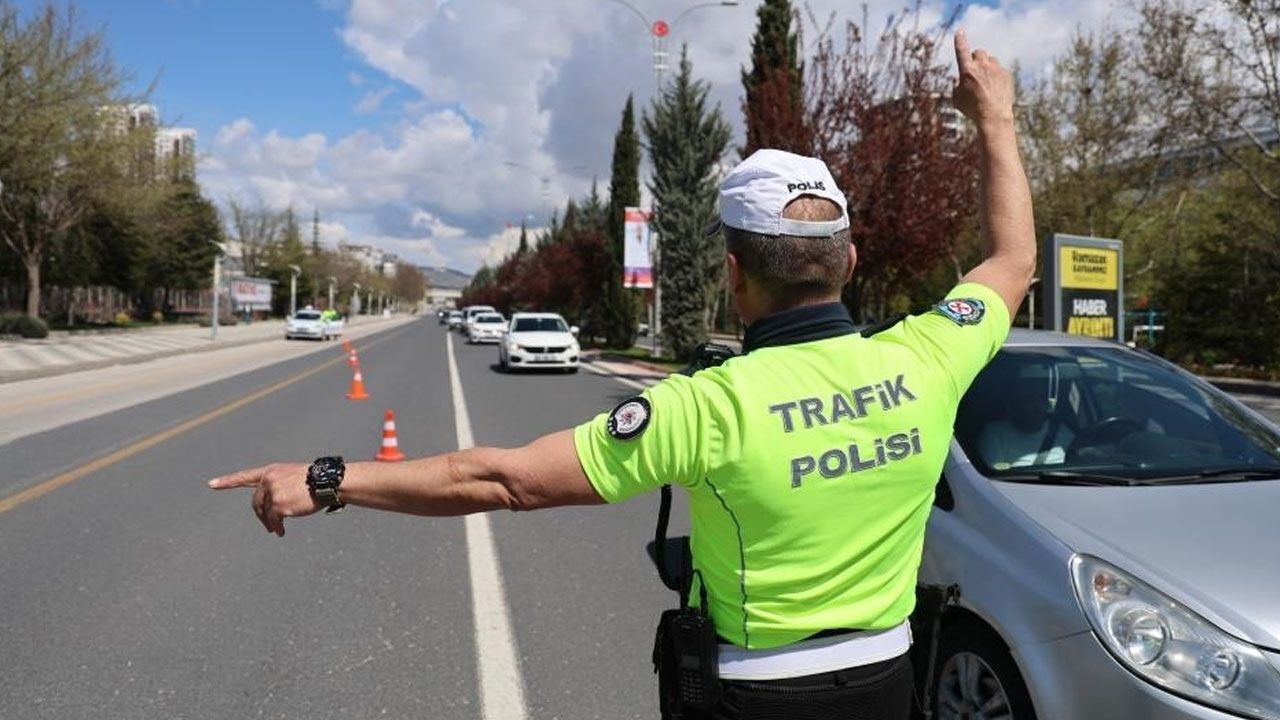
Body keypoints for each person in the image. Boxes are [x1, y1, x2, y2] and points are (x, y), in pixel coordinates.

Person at [208, 30, 1034, 720]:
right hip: (889, 683)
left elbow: (502, 480)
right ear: (848, 262)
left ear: (734, 276)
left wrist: (330, 479)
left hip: (752, 695)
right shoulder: (929, 356)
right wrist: (994, 116)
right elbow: (1012, 261)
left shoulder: (707, 407)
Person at [978, 376, 1074, 469]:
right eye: (1028, 400)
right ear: (1011, 405)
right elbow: (993, 475)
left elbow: (1077, 462)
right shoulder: (995, 434)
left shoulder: (1061, 431)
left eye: (1041, 399)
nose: (1038, 408)